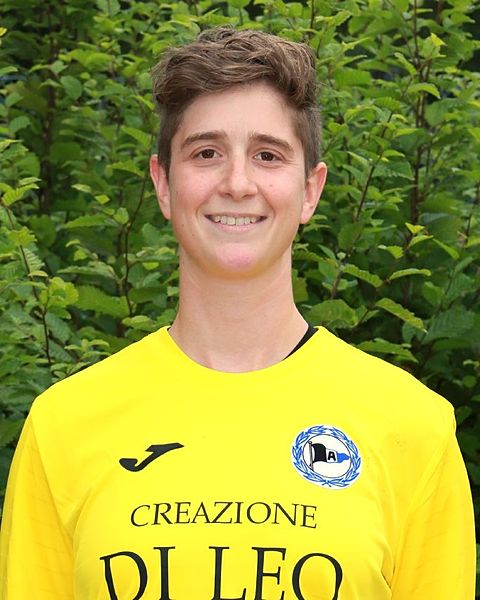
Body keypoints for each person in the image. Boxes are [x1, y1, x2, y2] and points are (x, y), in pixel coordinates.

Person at [0, 26, 475, 600]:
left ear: (310, 190)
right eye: (206, 153)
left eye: (268, 155)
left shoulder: (413, 426)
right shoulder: (63, 425)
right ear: (163, 184)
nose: (237, 183)